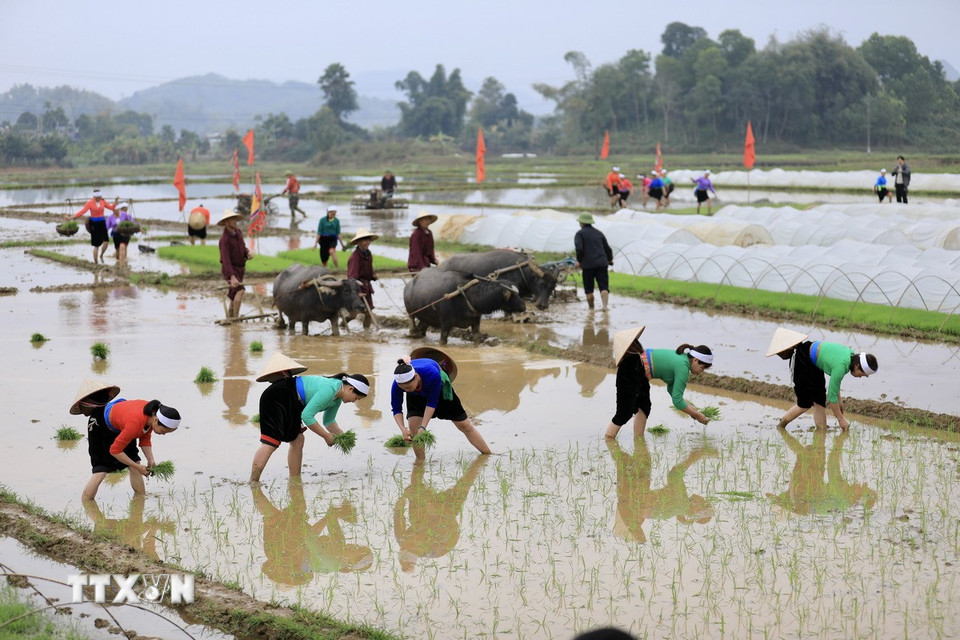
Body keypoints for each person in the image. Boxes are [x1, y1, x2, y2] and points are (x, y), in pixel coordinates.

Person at [250, 352, 370, 482]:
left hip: (293, 402)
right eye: (356, 398)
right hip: (278, 396)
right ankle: (253, 482)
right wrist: (326, 436)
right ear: (350, 389)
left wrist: (342, 436)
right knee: (271, 443)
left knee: (298, 440)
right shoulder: (330, 389)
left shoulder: (337, 399)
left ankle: (295, 480)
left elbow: (329, 421)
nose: (355, 401)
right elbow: (307, 416)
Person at [70, 379, 181, 500]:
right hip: (100, 425)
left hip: (121, 427)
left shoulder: (152, 415)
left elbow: (144, 438)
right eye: (164, 431)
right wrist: (139, 468)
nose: (164, 434)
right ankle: (86, 504)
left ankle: (141, 500)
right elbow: (115, 450)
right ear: (156, 420)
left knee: (134, 463)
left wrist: (150, 459)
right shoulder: (135, 423)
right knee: (100, 471)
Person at [767, 328, 878, 431]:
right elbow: (831, 396)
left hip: (815, 362)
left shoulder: (849, 355)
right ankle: (781, 426)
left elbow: (835, 382)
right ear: (857, 365)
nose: (861, 377)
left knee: (819, 400)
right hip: (804, 358)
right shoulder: (841, 366)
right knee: (804, 403)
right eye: (862, 374)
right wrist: (841, 419)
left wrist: (840, 400)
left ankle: (821, 431)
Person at [391, 351, 491, 461]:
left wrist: (423, 427)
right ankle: (420, 463)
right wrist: (403, 429)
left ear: (416, 376)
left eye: (408, 387)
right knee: (414, 429)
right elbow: (396, 408)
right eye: (403, 388)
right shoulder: (397, 384)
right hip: (416, 395)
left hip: (440, 390)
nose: (406, 390)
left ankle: (488, 455)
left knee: (464, 425)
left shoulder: (431, 374)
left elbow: (431, 403)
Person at [604, 339, 715, 438]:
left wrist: (692, 412)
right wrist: (697, 415)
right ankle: (609, 439)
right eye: (702, 367)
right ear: (695, 360)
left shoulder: (682, 360)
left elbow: (672, 391)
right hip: (632, 369)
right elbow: (677, 401)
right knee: (624, 412)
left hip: (639, 371)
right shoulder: (683, 367)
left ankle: (638, 439)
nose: (702, 372)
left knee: (644, 406)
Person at [394, 456, 488, 572]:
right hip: (447, 525)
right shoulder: (436, 546)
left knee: (415, 489)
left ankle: (419, 462)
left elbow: (397, 515)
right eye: (410, 545)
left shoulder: (402, 540)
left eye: (406, 545)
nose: (408, 542)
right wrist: (429, 505)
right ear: (419, 549)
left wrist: (402, 500)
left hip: (427, 519)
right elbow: (445, 522)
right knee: (464, 485)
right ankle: (477, 466)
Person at [574, 212, 613, 310]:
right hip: (602, 263)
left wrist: (579, 261)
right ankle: (605, 307)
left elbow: (579, 249)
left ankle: (591, 309)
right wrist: (610, 259)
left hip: (587, 266)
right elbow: (608, 249)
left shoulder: (579, 234)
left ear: (581, 223)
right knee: (604, 287)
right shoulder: (599, 233)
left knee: (589, 289)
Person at [218, 209, 252, 319]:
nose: (234, 221)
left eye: (234, 218)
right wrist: (232, 277)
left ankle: (230, 319)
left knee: (233, 297)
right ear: (226, 222)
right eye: (232, 219)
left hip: (240, 269)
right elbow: (225, 259)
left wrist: (247, 253)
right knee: (240, 290)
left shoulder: (238, 232)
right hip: (230, 270)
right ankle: (236, 320)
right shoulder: (224, 240)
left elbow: (243, 247)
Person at [70, 188, 117, 264]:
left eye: (99, 197)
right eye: (97, 198)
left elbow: (111, 208)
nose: (98, 199)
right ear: (94, 197)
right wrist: (72, 217)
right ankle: (96, 262)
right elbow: (82, 212)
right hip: (94, 224)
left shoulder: (103, 201)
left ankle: (101, 255)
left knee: (106, 241)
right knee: (96, 244)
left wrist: (115, 201)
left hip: (102, 222)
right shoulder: (89, 203)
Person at [346, 228, 379, 329]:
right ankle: (343, 324)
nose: (366, 242)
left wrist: (373, 276)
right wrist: (357, 292)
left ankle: (366, 333)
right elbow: (352, 277)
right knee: (353, 314)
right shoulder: (354, 257)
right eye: (363, 240)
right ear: (358, 242)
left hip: (366, 288)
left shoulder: (368, 254)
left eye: (368, 240)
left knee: (368, 313)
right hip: (356, 289)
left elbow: (368, 272)